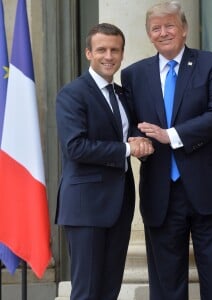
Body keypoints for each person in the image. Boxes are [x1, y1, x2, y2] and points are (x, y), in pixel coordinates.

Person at [121, 1, 212, 299]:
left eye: (170, 25)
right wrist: (141, 143)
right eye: (156, 28)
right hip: (161, 191)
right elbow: (134, 122)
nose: (163, 33)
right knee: (165, 282)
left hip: (208, 188)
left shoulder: (211, 64)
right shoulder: (134, 74)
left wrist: (170, 135)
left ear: (184, 29)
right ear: (148, 34)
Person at [55, 23, 153, 300]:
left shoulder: (122, 94)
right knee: (87, 291)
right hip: (86, 206)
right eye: (101, 50)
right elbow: (76, 147)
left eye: (115, 50)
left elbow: (130, 131)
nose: (109, 56)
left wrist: (142, 143)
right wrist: (126, 148)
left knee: (109, 290)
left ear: (122, 54)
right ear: (89, 53)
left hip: (119, 204)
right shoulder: (73, 94)